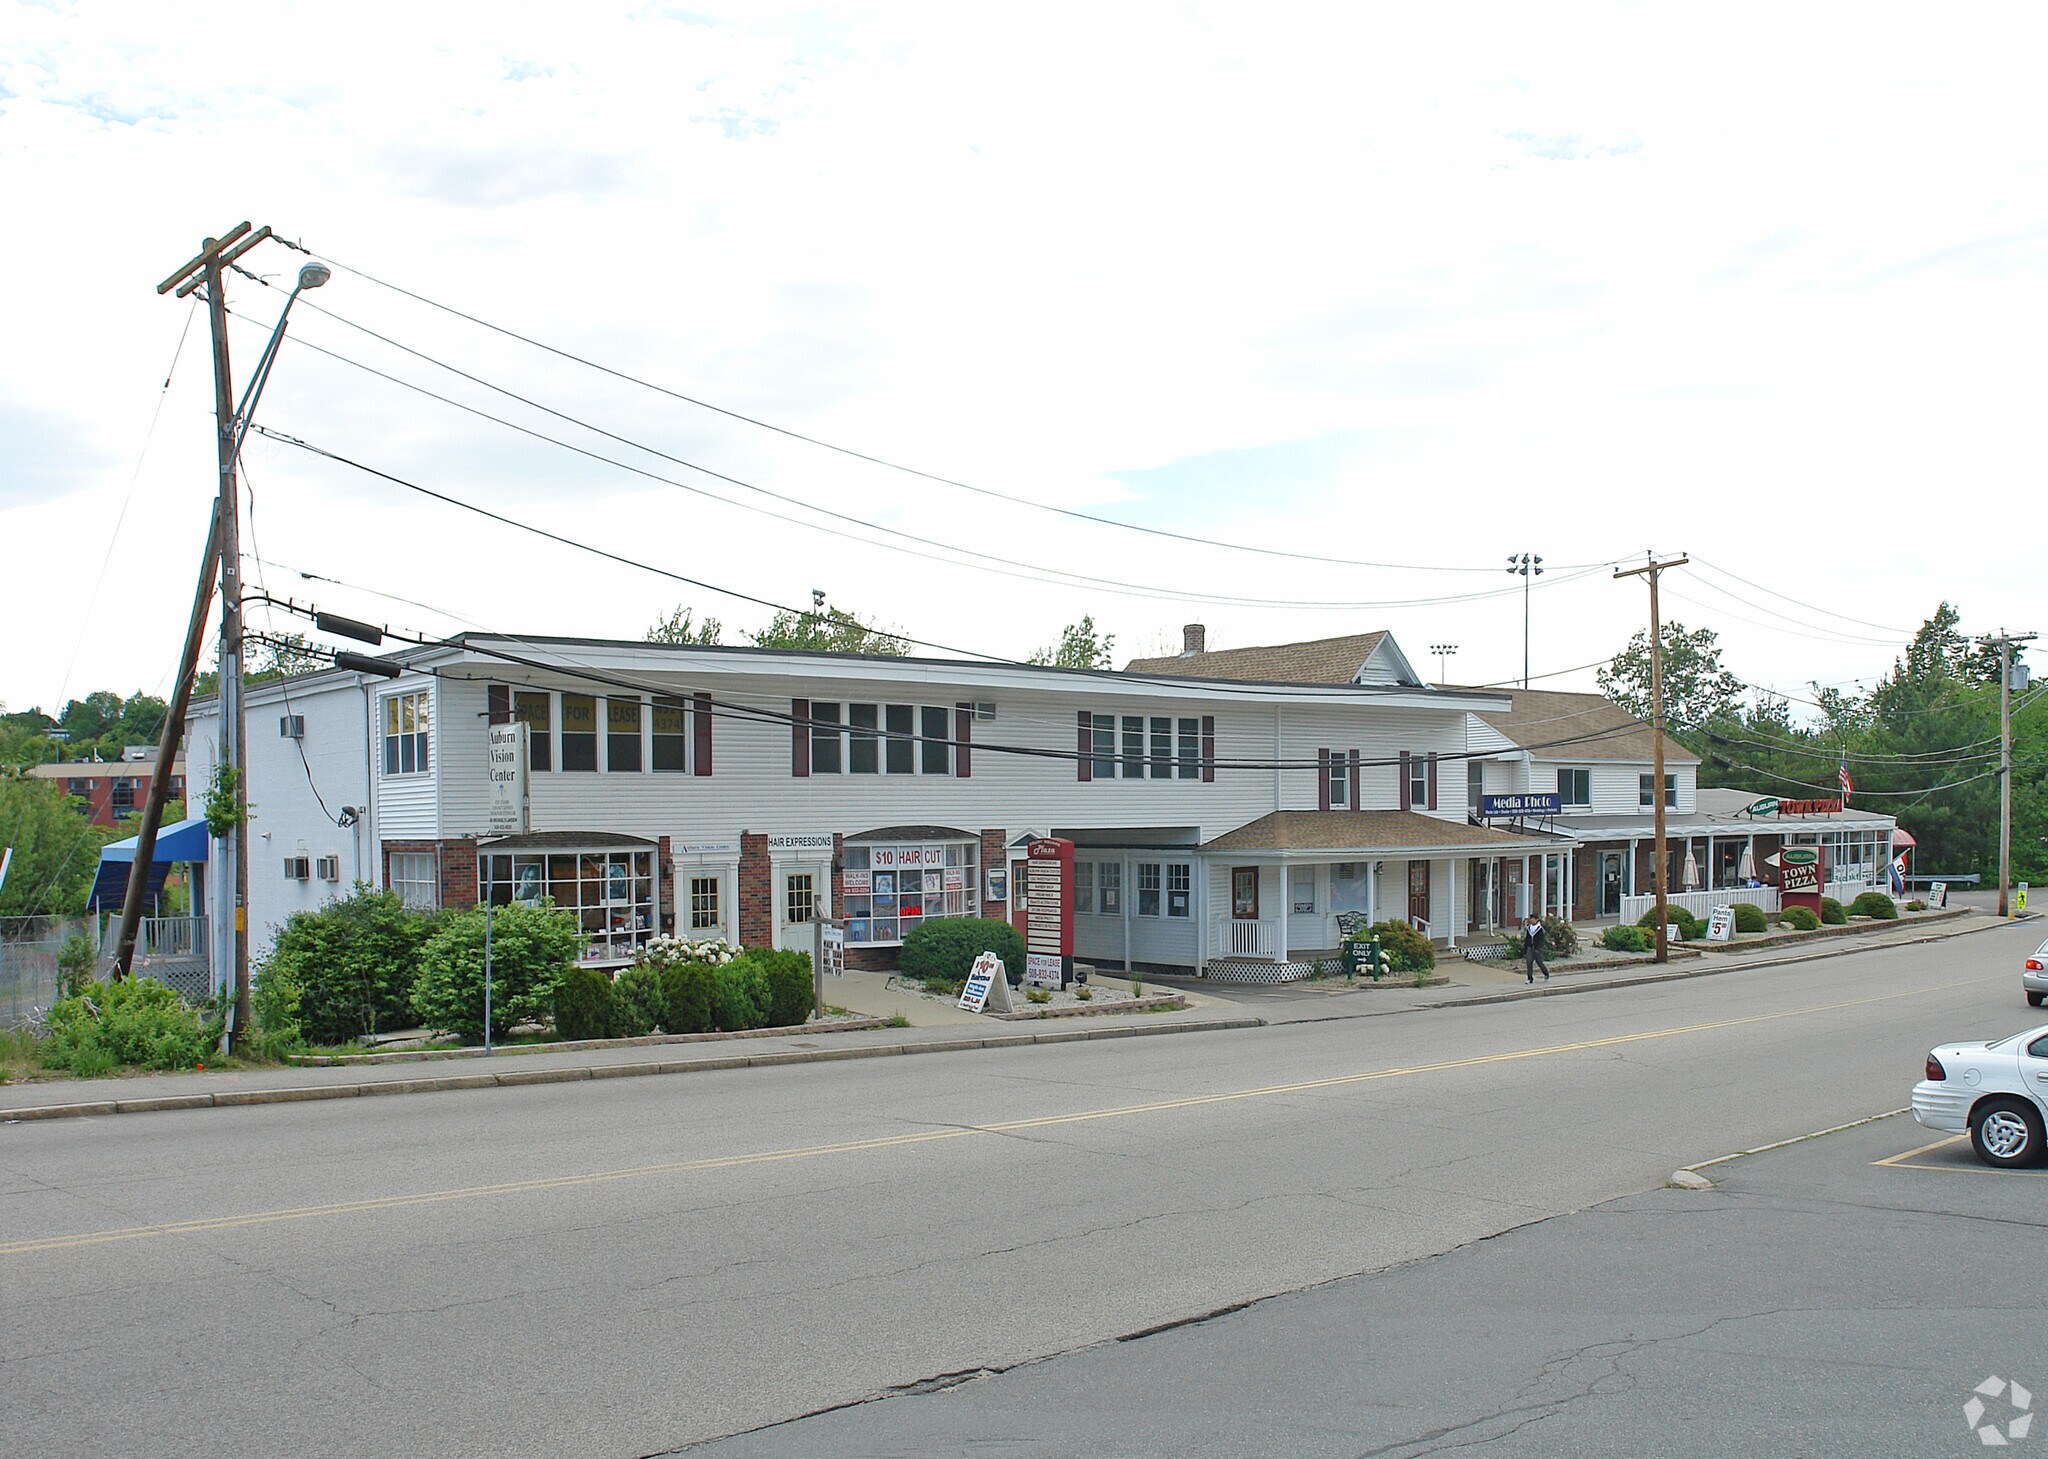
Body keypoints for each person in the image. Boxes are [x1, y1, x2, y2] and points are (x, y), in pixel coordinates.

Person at [1523, 912, 1549, 982]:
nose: (1531, 920)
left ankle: (1546, 973)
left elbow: (1541, 940)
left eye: (1532, 919)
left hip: (1537, 948)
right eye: (1530, 918)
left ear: (1536, 919)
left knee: (1539, 962)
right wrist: (1525, 949)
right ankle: (1530, 978)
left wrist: (1539, 948)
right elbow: (1527, 939)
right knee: (1529, 962)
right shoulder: (1529, 928)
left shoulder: (1539, 929)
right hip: (1530, 947)